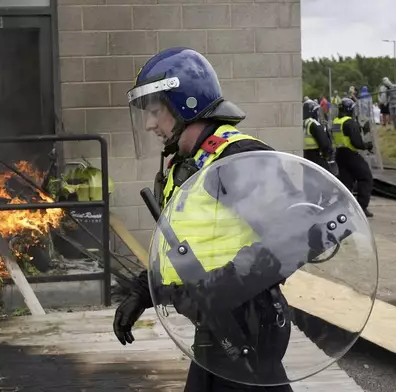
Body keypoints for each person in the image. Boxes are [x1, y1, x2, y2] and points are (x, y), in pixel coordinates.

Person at [114, 47, 294, 392]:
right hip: (214, 324)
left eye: (155, 111)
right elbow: (192, 244)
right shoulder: (193, 163)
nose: (150, 124)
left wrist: (220, 287)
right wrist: (144, 290)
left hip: (246, 324)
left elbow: (289, 241)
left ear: (186, 103)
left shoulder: (237, 159)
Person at [332, 98, 374, 217]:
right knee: (366, 178)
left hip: (339, 154)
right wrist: (367, 145)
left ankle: (343, 207)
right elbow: (357, 143)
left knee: (346, 183)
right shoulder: (349, 122)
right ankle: (361, 207)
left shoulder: (336, 121)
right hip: (350, 154)